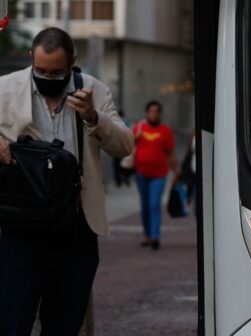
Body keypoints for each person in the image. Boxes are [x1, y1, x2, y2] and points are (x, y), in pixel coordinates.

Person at [0, 28, 134, 335]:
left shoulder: (94, 90)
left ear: (73, 61)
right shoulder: (4, 89)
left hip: (76, 227)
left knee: (65, 324)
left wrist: (93, 117)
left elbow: (125, 146)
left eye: (57, 72)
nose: (48, 77)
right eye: (41, 70)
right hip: (21, 227)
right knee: (12, 321)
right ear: (30, 59)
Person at [134, 101, 177, 250]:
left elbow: (170, 153)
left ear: (160, 114)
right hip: (141, 173)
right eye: (151, 111)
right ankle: (146, 235)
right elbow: (126, 146)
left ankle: (155, 237)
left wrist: (176, 171)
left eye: (157, 111)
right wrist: (135, 137)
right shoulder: (139, 128)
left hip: (159, 175)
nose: (154, 114)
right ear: (147, 113)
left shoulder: (165, 131)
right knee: (145, 206)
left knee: (154, 205)